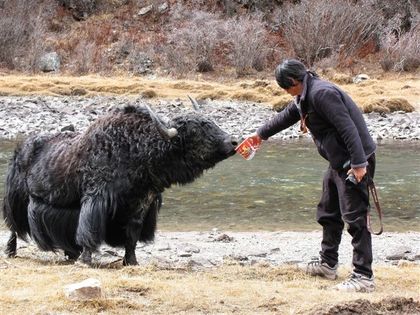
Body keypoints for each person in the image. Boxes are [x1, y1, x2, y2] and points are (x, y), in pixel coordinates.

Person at [248, 59, 377, 292]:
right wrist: (259, 135)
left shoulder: (321, 94)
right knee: (328, 212)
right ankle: (328, 264)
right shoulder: (304, 95)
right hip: (338, 161)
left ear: (294, 81)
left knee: (356, 219)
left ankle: (363, 277)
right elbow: (287, 115)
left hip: (354, 162)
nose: (287, 93)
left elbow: (348, 128)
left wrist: (359, 164)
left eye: (286, 88)